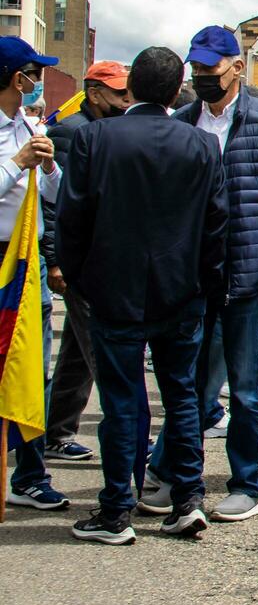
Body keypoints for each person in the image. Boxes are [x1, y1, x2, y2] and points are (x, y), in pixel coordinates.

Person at [138, 26, 258, 521]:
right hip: (193, 283)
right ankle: (181, 479)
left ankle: (247, 484)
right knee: (189, 389)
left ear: (237, 68)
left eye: (211, 69)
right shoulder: (181, 123)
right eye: (196, 69)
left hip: (249, 281)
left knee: (248, 390)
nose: (202, 77)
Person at [57, 46, 228, 543]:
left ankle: (115, 511)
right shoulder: (201, 145)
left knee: (122, 402)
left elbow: (73, 219)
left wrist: (82, 278)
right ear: (178, 91)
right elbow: (216, 225)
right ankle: (188, 498)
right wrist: (205, 284)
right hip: (181, 291)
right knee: (181, 397)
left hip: (114, 291)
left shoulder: (95, 138)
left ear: (131, 88)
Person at [43, 60, 133, 463]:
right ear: (94, 93)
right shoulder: (69, 132)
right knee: (100, 351)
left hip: (105, 258)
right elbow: (55, 204)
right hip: (82, 261)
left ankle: (57, 432)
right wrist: (57, 261)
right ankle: (129, 435)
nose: (126, 101)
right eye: (119, 93)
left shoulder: (105, 130)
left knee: (78, 355)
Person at [0, 38, 70, 513]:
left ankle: (29, 473)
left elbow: (55, 192)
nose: (36, 82)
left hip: (27, 261)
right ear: (14, 78)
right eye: (32, 73)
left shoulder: (28, 123)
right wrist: (16, 163)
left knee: (32, 370)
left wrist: (46, 167)